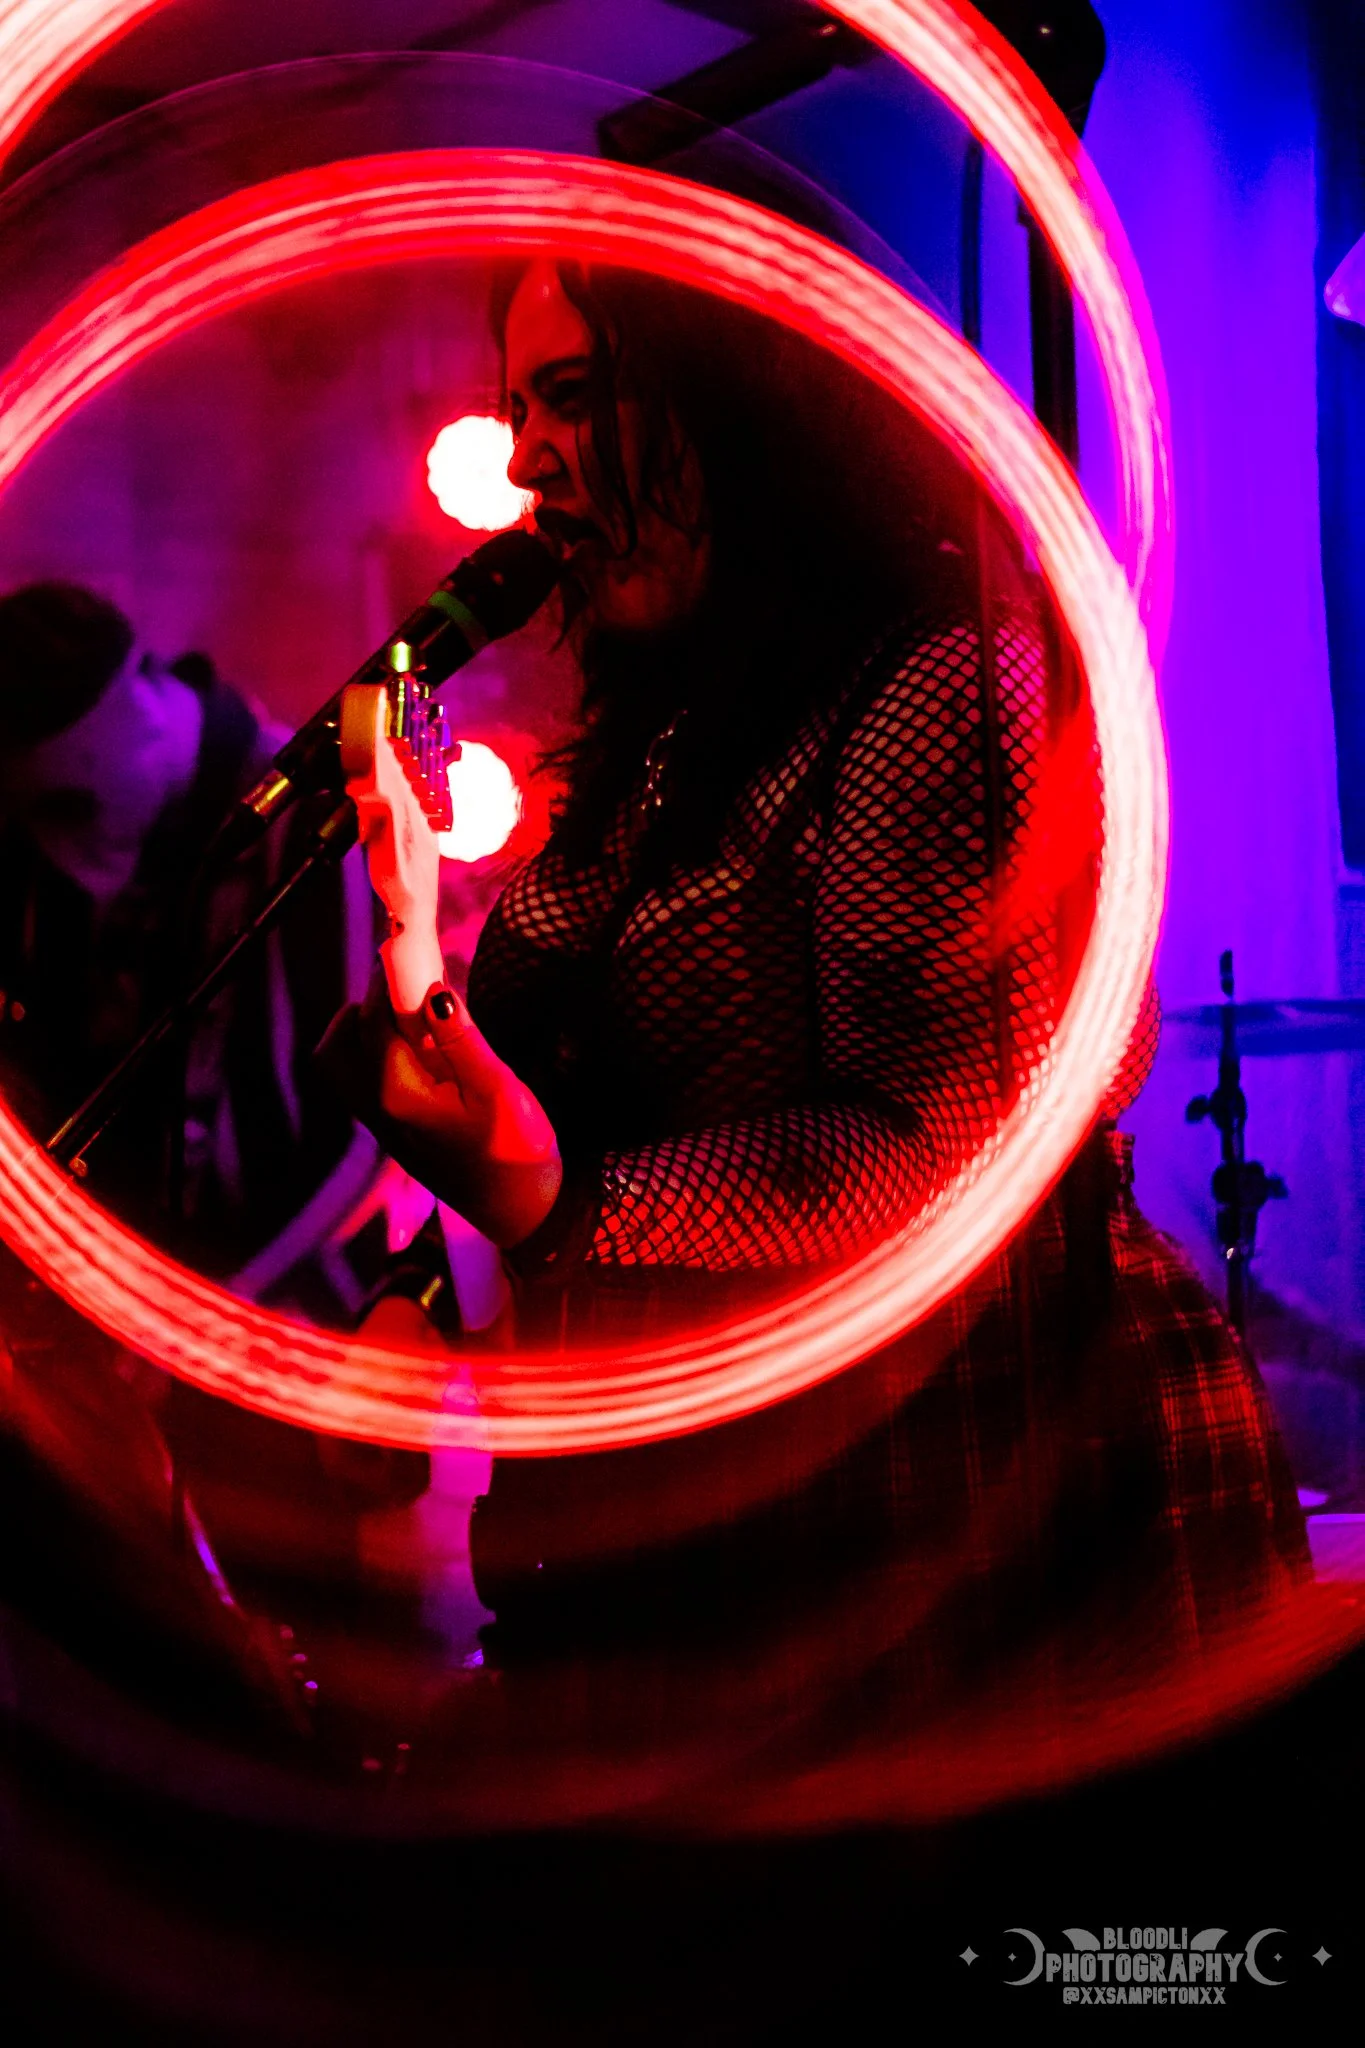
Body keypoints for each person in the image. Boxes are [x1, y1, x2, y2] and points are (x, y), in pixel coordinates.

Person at [321, 261, 1307, 1697]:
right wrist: (424, 1275)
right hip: (726, 1490)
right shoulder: (664, 737)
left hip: (976, 1473)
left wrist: (561, 1203)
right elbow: (553, 1093)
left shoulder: (945, 689)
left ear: (740, 404)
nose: (527, 458)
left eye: (577, 396)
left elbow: (941, 1146)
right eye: (516, 404)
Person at [0, 582, 370, 1302]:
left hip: (285, 1337)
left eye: (68, 806)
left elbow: (357, 1141)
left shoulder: (311, 827)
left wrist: (203, 1327)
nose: (60, 850)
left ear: (136, 713)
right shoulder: (56, 849)